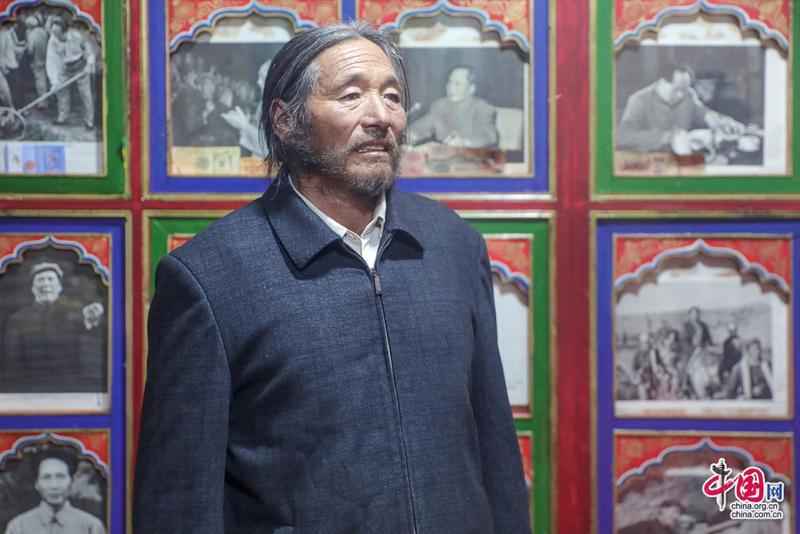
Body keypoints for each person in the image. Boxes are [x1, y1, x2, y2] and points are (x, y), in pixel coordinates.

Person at [134, 21, 529, 533]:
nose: (379, 116)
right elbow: (178, 500)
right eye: (351, 95)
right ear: (286, 121)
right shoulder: (209, 277)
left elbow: (495, 447)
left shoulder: (453, 245)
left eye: (392, 96)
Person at [0, 262, 106, 393]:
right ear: (32, 287)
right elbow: (11, 360)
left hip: (72, 389)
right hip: (30, 389)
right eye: (40, 280)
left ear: (59, 286)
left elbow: (93, 350)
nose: (45, 284)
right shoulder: (18, 319)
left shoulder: (78, 315)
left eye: (50, 279)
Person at [617, 62, 746, 153]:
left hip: (685, 156)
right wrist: (666, 137)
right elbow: (623, 136)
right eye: (677, 89)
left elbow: (703, 113)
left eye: (685, 89)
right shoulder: (639, 100)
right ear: (662, 81)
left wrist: (721, 122)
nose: (681, 95)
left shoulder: (688, 94)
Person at [4, 454, 105, 534]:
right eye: (46, 477)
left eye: (60, 476)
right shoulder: (18, 527)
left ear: (71, 481)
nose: (54, 485)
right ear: (36, 484)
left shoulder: (91, 526)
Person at [407, 65, 498, 148]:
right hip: (444, 157)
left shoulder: (483, 108)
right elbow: (423, 126)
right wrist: (410, 134)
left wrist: (464, 142)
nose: (451, 88)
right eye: (450, 82)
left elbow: (489, 136)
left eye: (457, 83)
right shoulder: (439, 105)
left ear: (471, 89)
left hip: (474, 157)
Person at [45, 19, 96, 128]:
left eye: (59, 35)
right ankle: (62, 118)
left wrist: (89, 65)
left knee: (85, 94)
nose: (57, 37)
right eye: (54, 34)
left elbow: (89, 51)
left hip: (81, 66)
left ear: (66, 31)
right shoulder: (52, 41)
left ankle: (89, 121)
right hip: (64, 68)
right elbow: (51, 61)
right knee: (61, 92)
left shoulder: (77, 36)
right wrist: (54, 82)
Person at [618, 499, 684, 534]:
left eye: (679, 514)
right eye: (675, 511)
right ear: (663, 509)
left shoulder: (671, 532)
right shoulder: (646, 526)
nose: (676, 516)